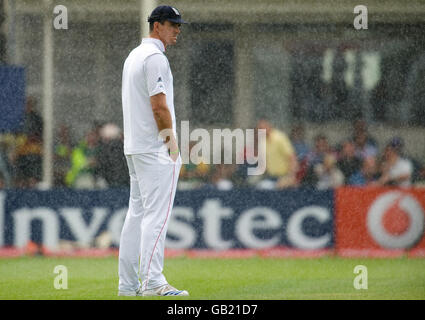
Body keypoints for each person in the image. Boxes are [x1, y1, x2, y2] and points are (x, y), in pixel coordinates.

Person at [118, 6, 188, 297]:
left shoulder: (134, 55)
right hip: (153, 147)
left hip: (135, 146)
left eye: (178, 25)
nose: (177, 30)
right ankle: (153, 283)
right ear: (156, 26)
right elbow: (159, 106)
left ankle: (128, 285)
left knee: (136, 216)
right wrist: (171, 143)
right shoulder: (155, 58)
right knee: (155, 218)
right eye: (172, 24)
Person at [255, 119, 298, 189]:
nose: (260, 131)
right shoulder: (262, 141)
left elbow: (292, 157)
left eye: (262, 128)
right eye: (259, 129)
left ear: (268, 126)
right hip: (271, 177)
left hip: (283, 176)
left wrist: (290, 176)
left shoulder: (280, 138)